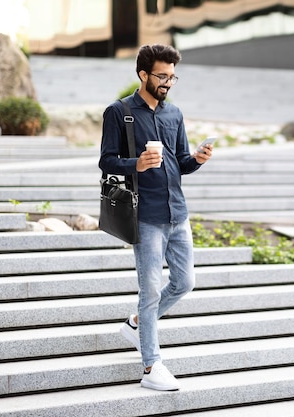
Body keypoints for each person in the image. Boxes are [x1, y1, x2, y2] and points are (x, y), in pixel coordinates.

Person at [99, 44, 213, 391]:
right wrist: (136, 163)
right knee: (149, 292)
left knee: (184, 282)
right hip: (145, 215)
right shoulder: (119, 113)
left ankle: (135, 323)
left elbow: (180, 161)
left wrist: (197, 158)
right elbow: (106, 161)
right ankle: (151, 367)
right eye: (162, 76)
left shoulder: (173, 114)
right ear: (143, 75)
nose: (167, 82)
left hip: (178, 213)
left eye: (172, 76)